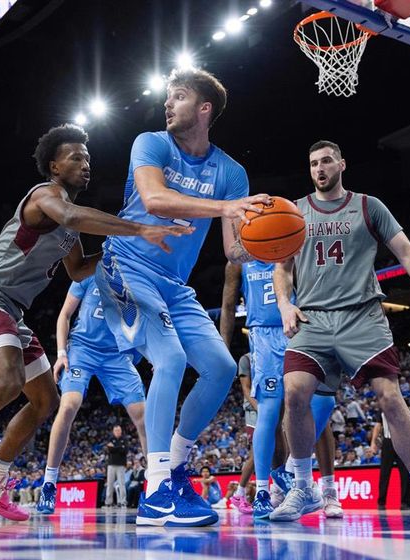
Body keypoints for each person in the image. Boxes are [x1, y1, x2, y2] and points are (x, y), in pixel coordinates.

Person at [0, 124, 190, 527]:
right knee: (7, 382)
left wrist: (120, 247)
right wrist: (138, 227)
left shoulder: (69, 228)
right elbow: (71, 213)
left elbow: (80, 269)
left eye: (88, 159)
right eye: (76, 158)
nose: (86, 165)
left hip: (12, 312)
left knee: (46, 399)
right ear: (54, 165)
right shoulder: (45, 196)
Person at [94, 68, 269, 527]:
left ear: (204, 108)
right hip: (123, 267)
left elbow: (233, 250)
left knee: (222, 368)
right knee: (169, 359)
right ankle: (154, 492)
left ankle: (174, 464)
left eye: (178, 97)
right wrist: (224, 207)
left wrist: (277, 241)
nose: (167, 104)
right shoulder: (150, 143)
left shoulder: (231, 173)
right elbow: (153, 200)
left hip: (173, 285)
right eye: (168, 97)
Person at [272, 140, 410, 522]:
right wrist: (285, 304)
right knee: (294, 392)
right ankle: (304, 487)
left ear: (342, 163)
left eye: (325, 161)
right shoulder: (295, 211)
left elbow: (406, 252)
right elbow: (282, 267)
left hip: (362, 316)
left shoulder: (370, 206)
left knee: (388, 397)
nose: (318, 169)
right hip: (314, 319)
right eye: (312, 164)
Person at [221, 260, 343, 520]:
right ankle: (268, 491)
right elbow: (228, 306)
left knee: (321, 404)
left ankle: (322, 487)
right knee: (271, 412)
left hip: (298, 327)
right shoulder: (240, 260)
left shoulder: (294, 252)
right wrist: (222, 348)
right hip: (264, 336)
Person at [36, 276, 147, 514]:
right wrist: (62, 352)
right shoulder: (89, 273)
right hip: (82, 348)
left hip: (116, 354)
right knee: (68, 406)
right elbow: (64, 315)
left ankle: (156, 486)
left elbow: (143, 322)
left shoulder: (137, 277)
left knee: (143, 414)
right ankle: (49, 483)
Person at [225, 353, 256, 514]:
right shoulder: (245, 359)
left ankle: (276, 492)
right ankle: (240, 493)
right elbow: (246, 389)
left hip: (271, 406)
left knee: (276, 449)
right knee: (257, 451)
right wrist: (261, 409)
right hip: (254, 410)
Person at [371, 412, 410, 510]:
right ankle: (381, 502)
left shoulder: (403, 407)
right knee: (384, 473)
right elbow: (378, 426)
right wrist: (373, 443)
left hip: (403, 441)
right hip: (388, 441)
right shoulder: (382, 409)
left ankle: (405, 503)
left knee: (404, 473)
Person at [104, 425, 129, 508]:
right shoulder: (110, 439)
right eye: (116, 430)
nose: (117, 432)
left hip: (121, 465)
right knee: (110, 484)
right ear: (113, 431)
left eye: (119, 430)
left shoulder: (124, 439)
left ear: (121, 431)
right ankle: (108, 502)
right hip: (111, 464)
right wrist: (119, 448)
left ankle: (123, 501)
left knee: (122, 484)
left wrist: (114, 448)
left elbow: (125, 451)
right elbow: (109, 450)